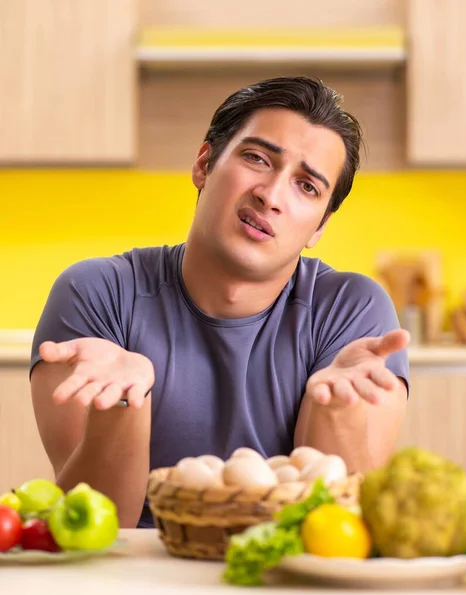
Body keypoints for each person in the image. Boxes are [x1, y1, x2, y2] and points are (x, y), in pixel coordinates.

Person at [30, 76, 410, 529]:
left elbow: (338, 529)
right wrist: (121, 406)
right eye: (257, 158)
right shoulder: (97, 295)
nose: (270, 196)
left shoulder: (351, 311)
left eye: (307, 186)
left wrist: (335, 407)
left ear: (320, 227)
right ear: (204, 163)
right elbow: (97, 529)